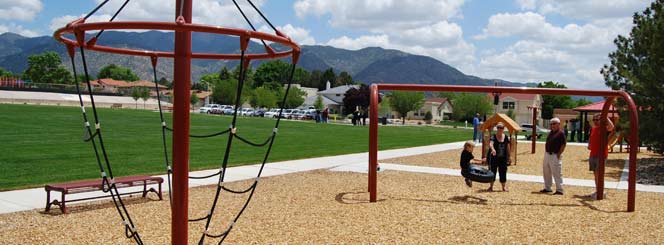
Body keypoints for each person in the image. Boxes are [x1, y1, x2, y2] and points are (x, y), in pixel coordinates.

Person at [587, 114, 614, 199]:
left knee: (599, 174)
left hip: (601, 155)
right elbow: (591, 139)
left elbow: (612, 127)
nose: (595, 121)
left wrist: (605, 116)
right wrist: (589, 144)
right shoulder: (594, 129)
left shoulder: (604, 128)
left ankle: (601, 191)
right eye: (594, 120)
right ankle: (598, 190)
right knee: (595, 174)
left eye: (597, 119)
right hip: (593, 154)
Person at [541, 117, 566, 195]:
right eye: (551, 124)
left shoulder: (561, 133)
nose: (552, 125)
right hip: (547, 154)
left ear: (558, 124)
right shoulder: (551, 133)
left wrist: (559, 154)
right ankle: (548, 187)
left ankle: (559, 189)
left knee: (557, 172)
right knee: (546, 171)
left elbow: (563, 144)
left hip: (555, 154)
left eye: (554, 123)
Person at [487, 122, 511, 192]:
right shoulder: (493, 136)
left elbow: (508, 147)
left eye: (501, 128)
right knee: (492, 172)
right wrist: (493, 149)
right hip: (494, 158)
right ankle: (491, 187)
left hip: (503, 158)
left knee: (503, 172)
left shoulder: (506, 137)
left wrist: (509, 157)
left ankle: (503, 187)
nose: (499, 129)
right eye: (498, 127)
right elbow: (491, 144)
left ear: (503, 129)